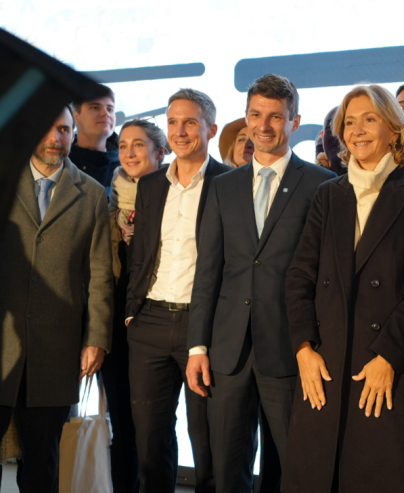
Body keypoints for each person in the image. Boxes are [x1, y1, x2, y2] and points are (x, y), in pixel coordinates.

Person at [282, 83, 404, 493]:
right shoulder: (327, 195)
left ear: (394, 129)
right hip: (324, 368)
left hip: (387, 370)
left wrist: (387, 355)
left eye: (369, 119)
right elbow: (299, 276)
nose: (357, 130)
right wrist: (303, 348)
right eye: (349, 122)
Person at [185, 73, 335, 493]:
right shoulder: (222, 187)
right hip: (227, 352)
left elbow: (324, 279)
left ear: (294, 121)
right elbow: (208, 271)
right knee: (226, 469)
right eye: (255, 114)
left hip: (290, 349)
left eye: (275, 116)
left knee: (294, 468)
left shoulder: (322, 187)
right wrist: (197, 346)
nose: (263, 125)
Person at [0, 105, 113, 491]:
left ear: (73, 134)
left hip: (56, 348)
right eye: (47, 130)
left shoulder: (94, 195)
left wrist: (96, 338)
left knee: (42, 460)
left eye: (64, 130)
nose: (55, 138)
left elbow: (100, 275)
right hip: (1, 343)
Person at [126, 88, 230, 492]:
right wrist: (132, 313)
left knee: (208, 444)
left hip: (202, 328)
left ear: (211, 128)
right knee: (150, 445)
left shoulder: (229, 182)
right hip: (148, 322)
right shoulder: (151, 185)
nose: (180, 131)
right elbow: (142, 253)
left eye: (190, 122)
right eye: (172, 122)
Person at [104, 119, 169, 493]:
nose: (129, 153)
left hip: (157, 324)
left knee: (155, 429)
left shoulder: (174, 199)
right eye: (124, 145)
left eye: (139, 145)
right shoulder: (107, 201)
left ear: (160, 153)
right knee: (122, 427)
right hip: (115, 326)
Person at [69, 84, 121, 189]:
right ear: (76, 117)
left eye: (110, 109)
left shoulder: (127, 166)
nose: (105, 113)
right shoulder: (60, 163)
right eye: (95, 107)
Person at [322, 106, 347, 175]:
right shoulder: (310, 180)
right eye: (330, 128)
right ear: (322, 136)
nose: (336, 135)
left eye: (343, 128)